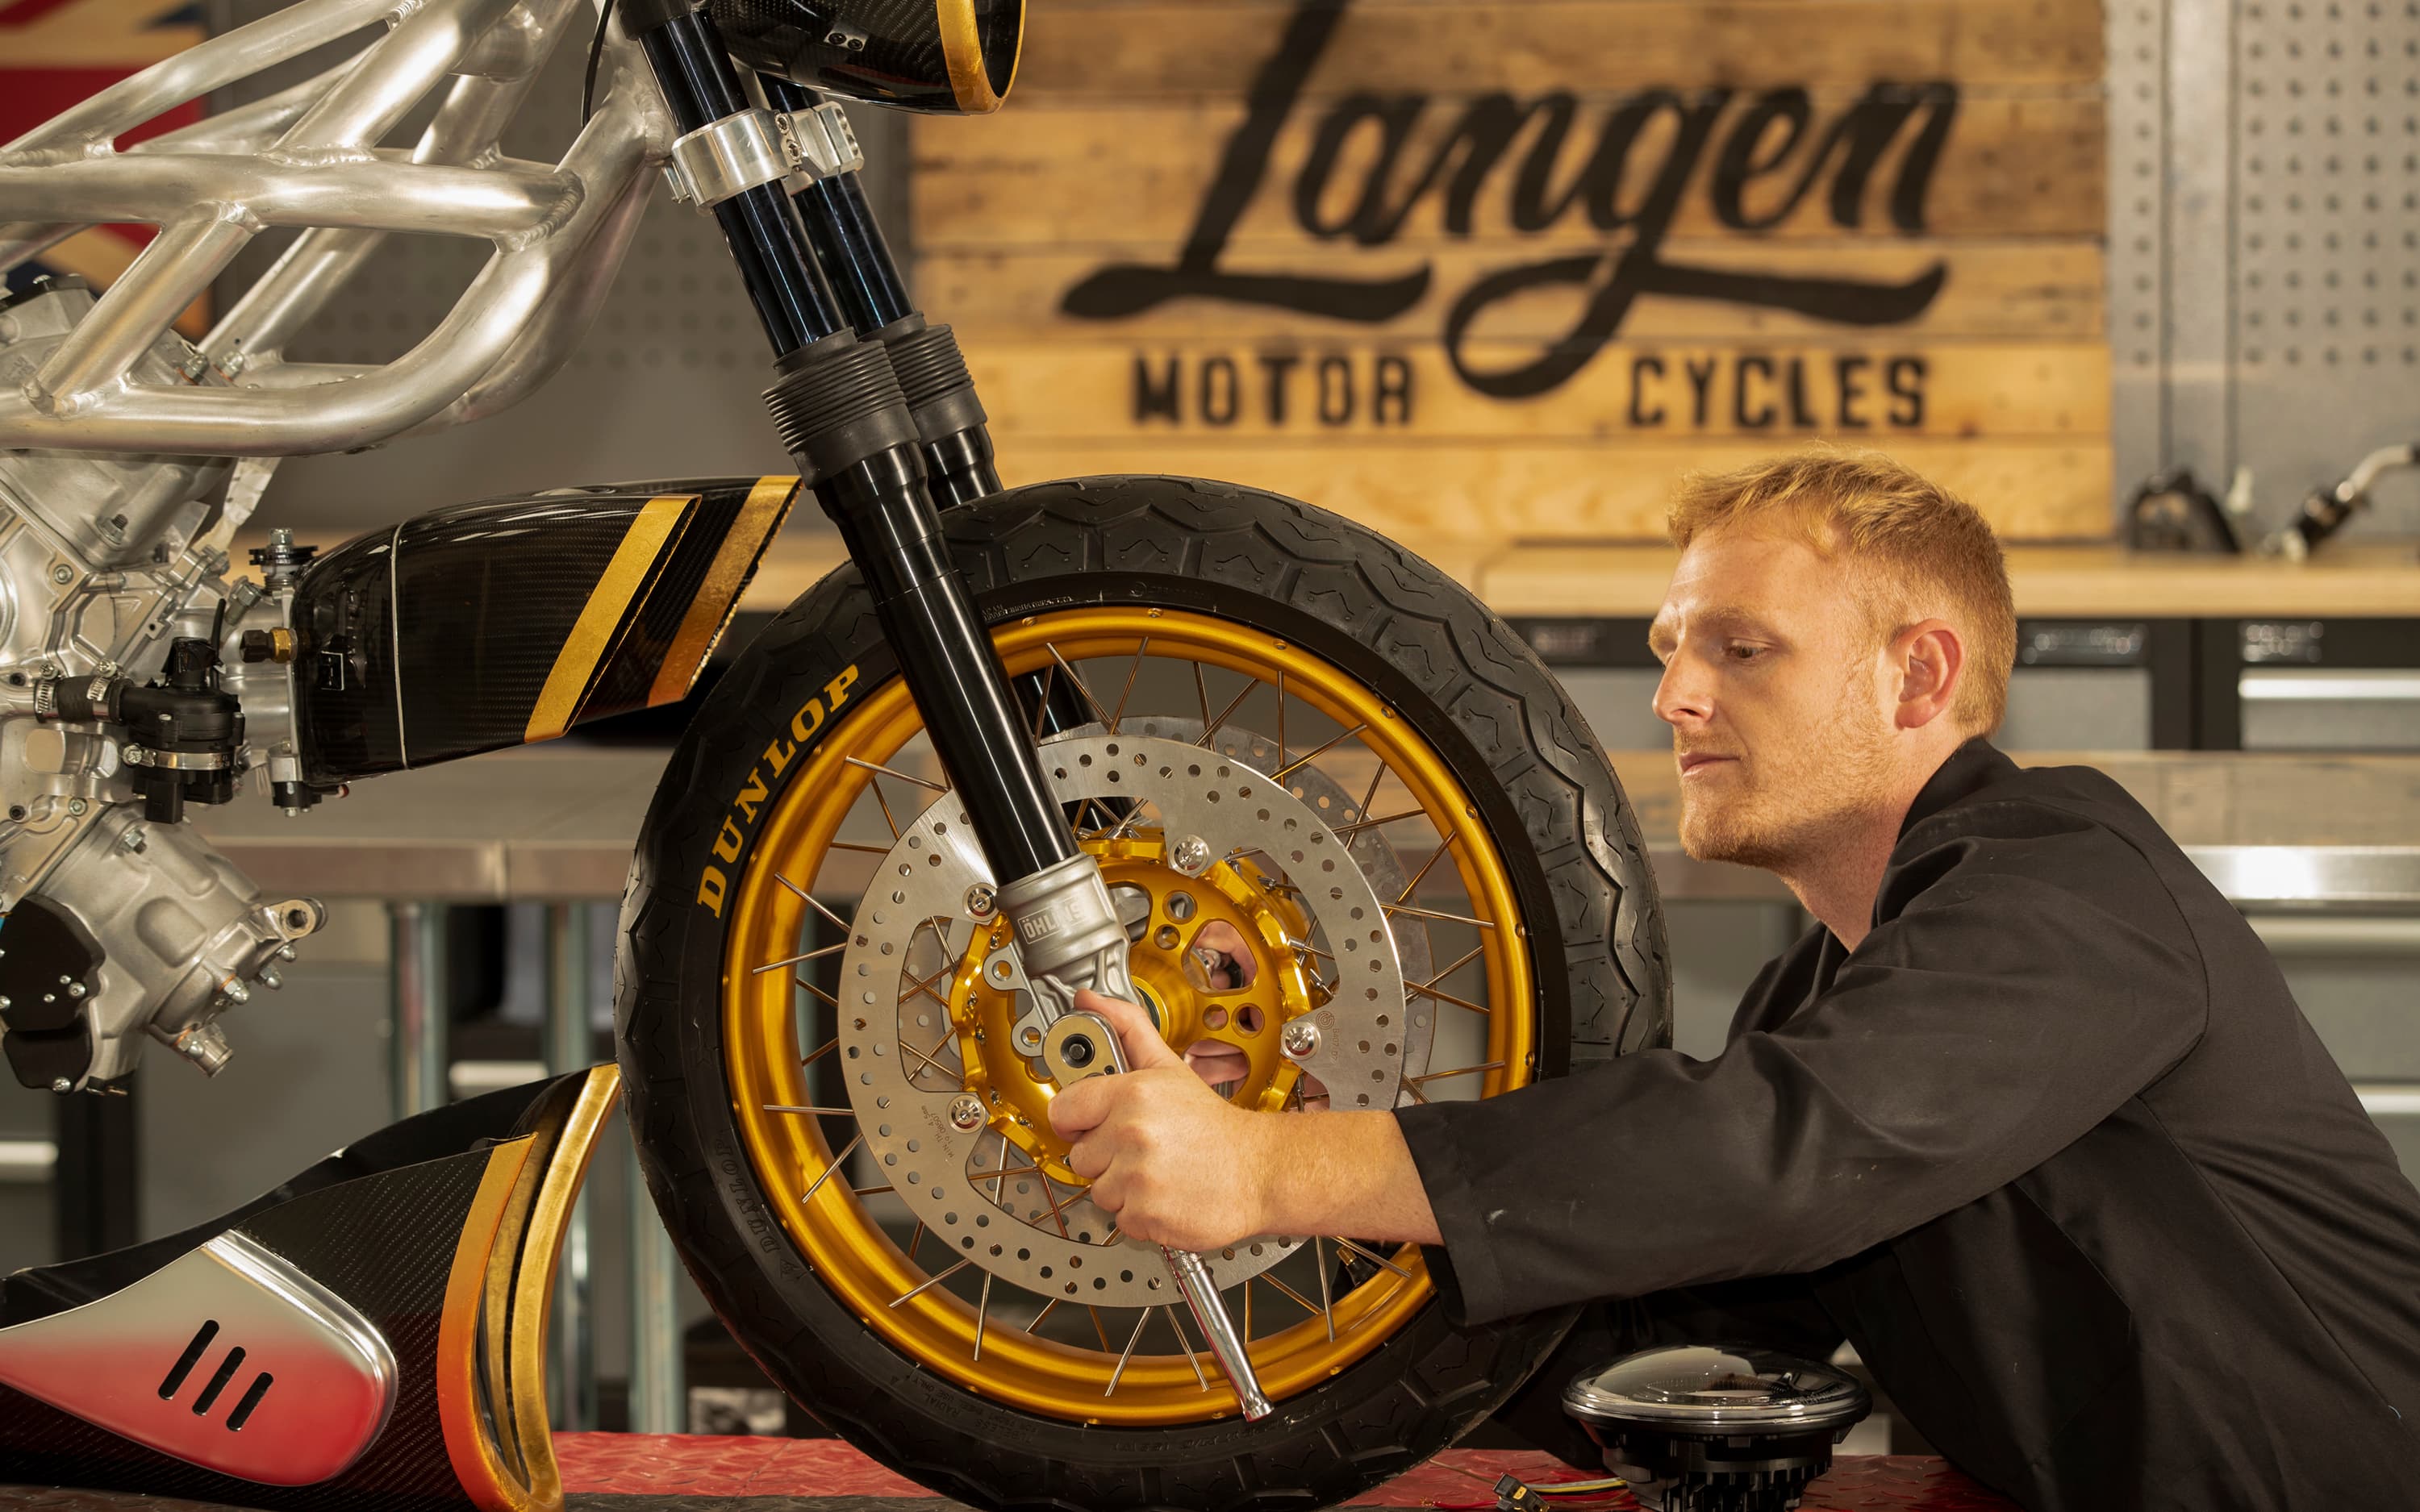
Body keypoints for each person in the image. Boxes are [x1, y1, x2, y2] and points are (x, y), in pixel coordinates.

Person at [1048, 449, 2420, 1511]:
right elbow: (1634, 1344)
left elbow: (1778, 1147)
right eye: (1671, 652)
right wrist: (1285, 1086)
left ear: (1919, 674)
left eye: (1739, 650)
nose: (1675, 698)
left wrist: (1278, 1170)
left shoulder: (2070, 879)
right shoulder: (1830, 992)